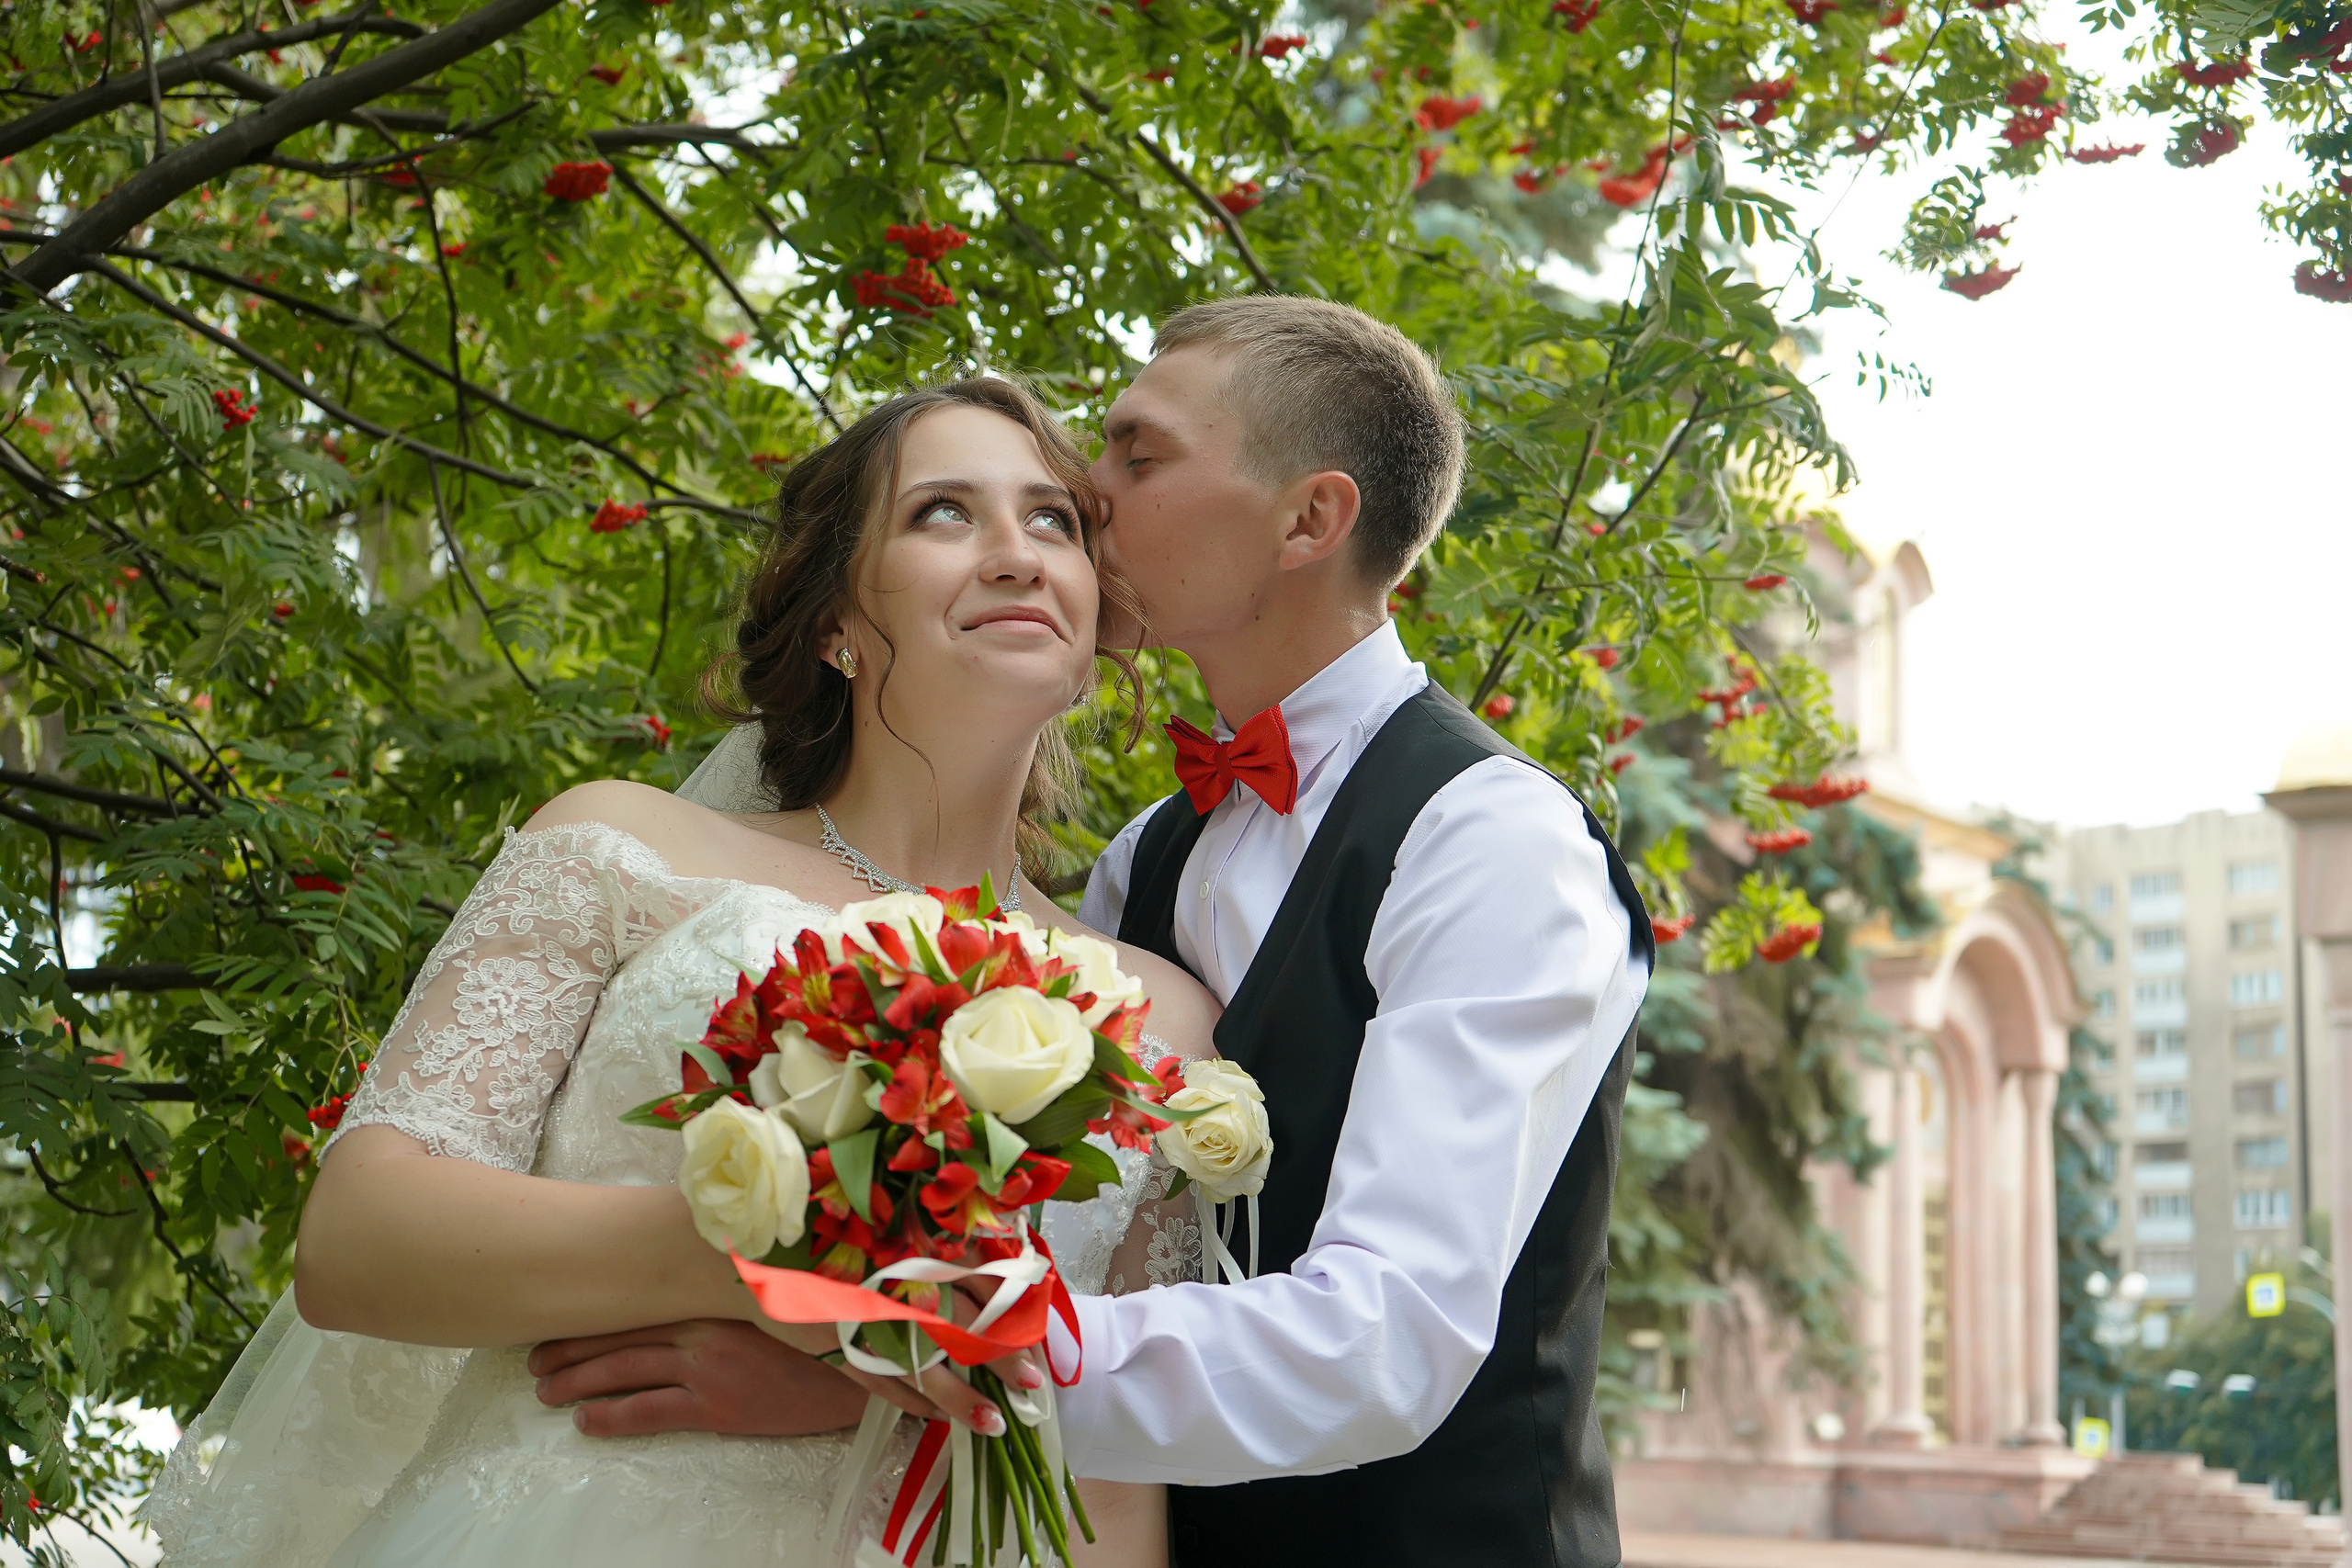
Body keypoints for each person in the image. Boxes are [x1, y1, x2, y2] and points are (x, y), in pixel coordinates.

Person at [583, 296, 1655, 1566]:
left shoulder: (1493, 842)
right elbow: (1093, 1246)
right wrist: (876, 1376)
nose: (1088, 495)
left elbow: (1389, 1333)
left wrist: (919, 1349)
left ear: (1309, 520)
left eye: (1137, 457)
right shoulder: (1149, 859)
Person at [139, 378, 1216, 1568]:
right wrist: (762, 1272)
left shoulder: (1161, 1015)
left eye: (1053, 520)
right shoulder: (621, 846)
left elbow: (1115, 1495)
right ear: (834, 625)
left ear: (1092, 626)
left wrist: (862, 1378)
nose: (1017, 553)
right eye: (942, 514)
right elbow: (360, 1244)